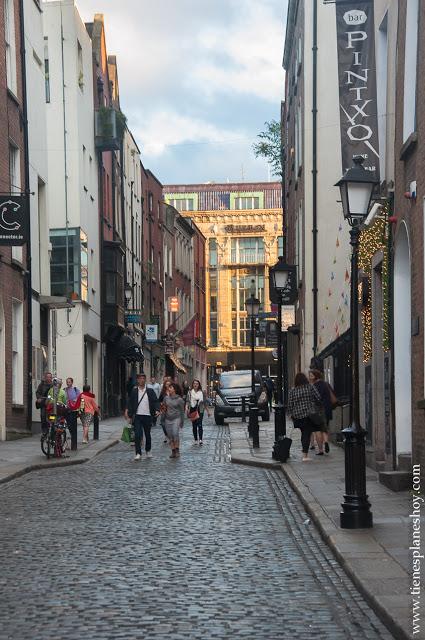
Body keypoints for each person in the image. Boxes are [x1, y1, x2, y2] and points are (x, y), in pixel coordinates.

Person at [287, 372, 323, 461]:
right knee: (306, 434)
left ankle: (305, 452)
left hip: (297, 416)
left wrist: (290, 414)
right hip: (309, 414)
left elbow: (290, 404)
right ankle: (305, 455)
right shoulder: (310, 387)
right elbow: (318, 397)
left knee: (304, 433)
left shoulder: (292, 390)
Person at [126, 373, 159, 461]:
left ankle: (148, 450)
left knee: (147, 434)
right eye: (140, 379)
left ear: (145, 380)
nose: (142, 380)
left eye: (143, 378)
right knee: (137, 434)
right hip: (137, 416)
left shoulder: (150, 391)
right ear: (137, 380)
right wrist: (128, 413)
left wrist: (157, 410)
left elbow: (155, 401)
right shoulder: (134, 391)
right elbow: (130, 403)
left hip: (147, 416)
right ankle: (138, 453)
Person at [309, 369, 333, 454]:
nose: (310, 377)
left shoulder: (314, 386)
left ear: (316, 376)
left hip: (318, 409)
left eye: (311, 375)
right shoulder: (326, 384)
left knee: (318, 429)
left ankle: (321, 449)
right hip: (327, 408)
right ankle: (326, 441)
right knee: (325, 427)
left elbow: (315, 398)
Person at [162, 382, 185, 458]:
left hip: (176, 418)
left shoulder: (179, 399)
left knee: (175, 433)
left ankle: (177, 450)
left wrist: (182, 421)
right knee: (170, 436)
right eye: (169, 387)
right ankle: (173, 451)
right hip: (168, 419)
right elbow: (164, 409)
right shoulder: (166, 398)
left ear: (174, 389)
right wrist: (162, 418)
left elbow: (182, 411)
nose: (169, 389)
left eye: (171, 387)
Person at [186, 379, 210, 445]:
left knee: (200, 424)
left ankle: (201, 440)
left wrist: (208, 411)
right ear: (192, 385)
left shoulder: (202, 392)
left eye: (197, 383)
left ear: (199, 385)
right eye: (194, 383)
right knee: (194, 425)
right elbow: (187, 401)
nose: (195, 384)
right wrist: (186, 408)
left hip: (200, 410)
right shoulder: (190, 392)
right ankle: (196, 439)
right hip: (192, 410)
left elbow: (205, 403)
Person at [64, 377, 81, 448]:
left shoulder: (75, 390)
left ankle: (74, 444)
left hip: (74, 410)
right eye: (67, 382)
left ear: (72, 382)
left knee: (73, 425)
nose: (68, 383)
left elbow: (79, 398)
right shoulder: (64, 390)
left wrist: (75, 401)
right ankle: (72, 437)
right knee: (69, 425)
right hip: (67, 409)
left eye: (69, 382)